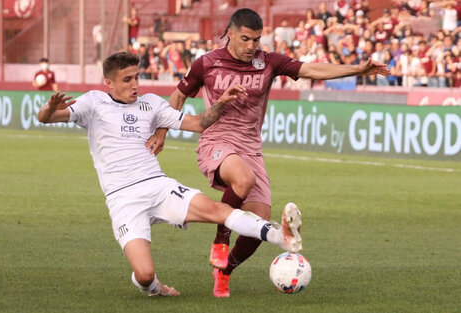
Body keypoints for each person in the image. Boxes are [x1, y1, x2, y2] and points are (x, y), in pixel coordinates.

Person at [145, 8, 389, 298]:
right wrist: (162, 131)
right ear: (230, 34)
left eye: (257, 40)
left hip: (251, 147)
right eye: (246, 39)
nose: (251, 46)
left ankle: (223, 271)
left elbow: (312, 69)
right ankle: (220, 240)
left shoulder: (268, 62)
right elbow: (178, 95)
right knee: (243, 180)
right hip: (216, 140)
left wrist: (357, 69)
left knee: (258, 225)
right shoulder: (206, 63)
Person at [36, 52, 303, 297]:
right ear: (109, 83)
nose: (134, 85)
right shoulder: (94, 103)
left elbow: (198, 124)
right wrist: (50, 107)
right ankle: (157, 289)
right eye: (127, 80)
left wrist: (221, 102)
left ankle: (281, 237)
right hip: (122, 200)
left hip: (158, 186)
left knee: (214, 210)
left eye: (137, 77)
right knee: (144, 275)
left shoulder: (151, 104)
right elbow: (45, 118)